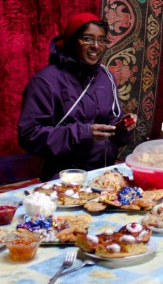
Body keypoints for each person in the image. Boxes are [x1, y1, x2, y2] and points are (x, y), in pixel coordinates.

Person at [17, 12, 138, 181]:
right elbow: (29, 135)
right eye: (87, 38)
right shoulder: (46, 81)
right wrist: (84, 133)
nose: (96, 46)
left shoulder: (106, 77)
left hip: (104, 175)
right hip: (63, 178)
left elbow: (112, 123)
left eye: (101, 40)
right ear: (72, 40)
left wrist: (122, 128)